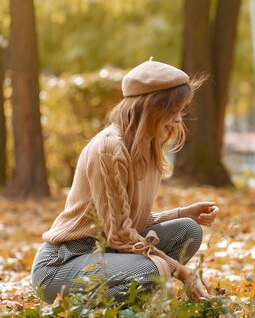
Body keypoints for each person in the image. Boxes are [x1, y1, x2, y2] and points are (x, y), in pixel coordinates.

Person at [31, 59, 218, 303]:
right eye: (173, 111)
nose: (178, 120)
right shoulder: (110, 149)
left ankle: (132, 295)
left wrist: (183, 213)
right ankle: (108, 304)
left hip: (108, 253)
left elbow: (126, 220)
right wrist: (181, 271)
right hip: (62, 264)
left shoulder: (146, 147)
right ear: (151, 108)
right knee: (154, 270)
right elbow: (120, 235)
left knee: (188, 230)